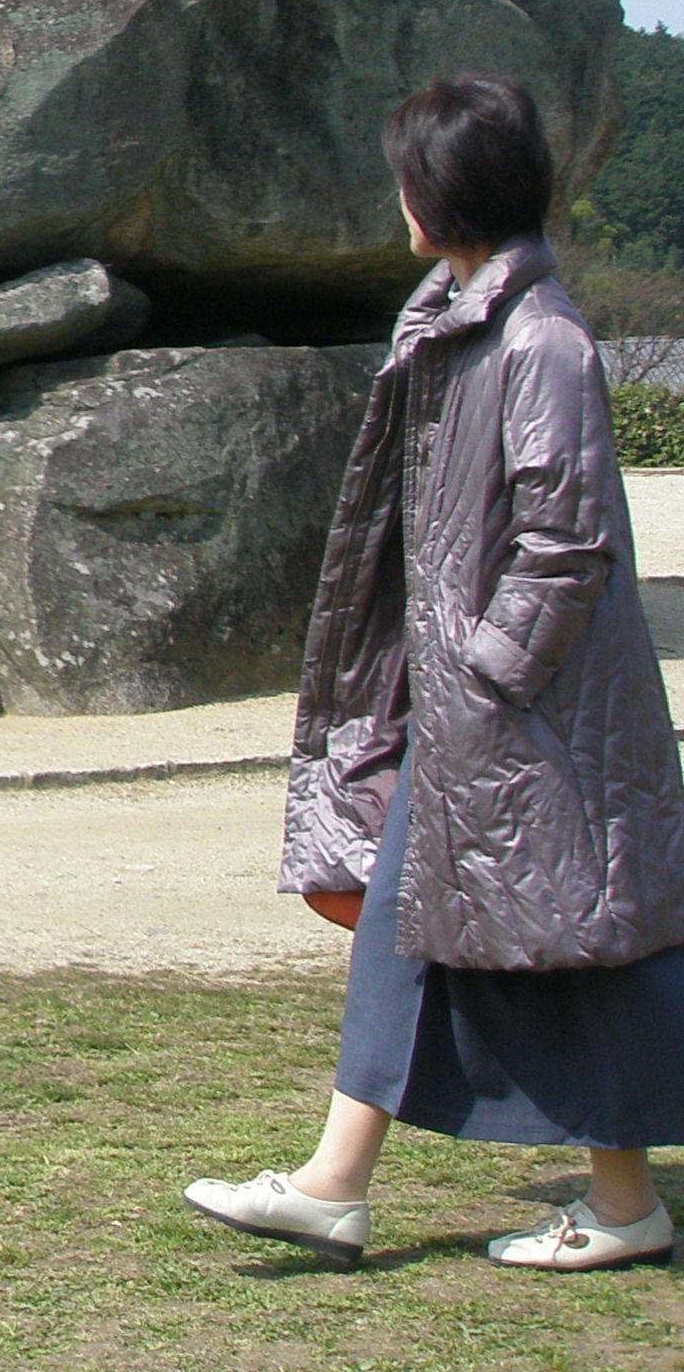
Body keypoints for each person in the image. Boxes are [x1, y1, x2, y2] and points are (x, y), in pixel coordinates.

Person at [187, 74, 684, 1271]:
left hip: (531, 715)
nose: (397, 198)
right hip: (481, 714)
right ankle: (347, 1183)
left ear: (443, 190)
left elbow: (566, 544)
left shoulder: (539, 338)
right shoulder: (459, 319)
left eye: (407, 176)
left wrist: (491, 672)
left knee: (577, 948)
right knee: (442, 930)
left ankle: (597, 1204)